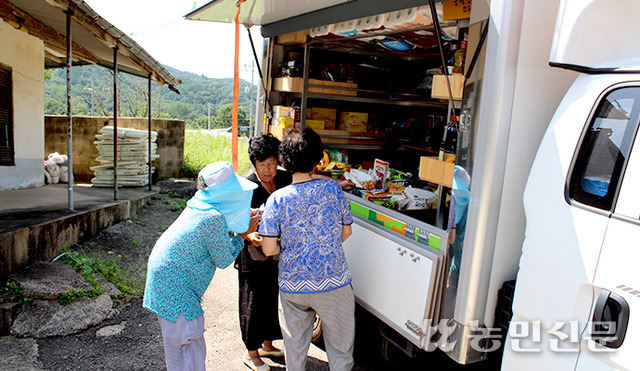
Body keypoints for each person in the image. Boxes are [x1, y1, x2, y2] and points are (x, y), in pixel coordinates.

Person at [143, 161, 259, 371]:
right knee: (191, 348)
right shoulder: (212, 218)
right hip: (177, 292)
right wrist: (243, 234)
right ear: (226, 194)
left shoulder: (199, 204)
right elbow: (223, 259)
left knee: (176, 353)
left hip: (162, 287)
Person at [259, 129, 355, 371]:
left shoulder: (277, 199)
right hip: (333, 282)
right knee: (341, 351)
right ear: (318, 159)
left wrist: (292, 247)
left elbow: (269, 249)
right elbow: (347, 232)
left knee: (295, 350)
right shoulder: (333, 190)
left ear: (284, 161)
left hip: (293, 284)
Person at [236, 134, 292, 371]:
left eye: (272, 163)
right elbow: (235, 223)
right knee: (252, 302)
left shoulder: (285, 179)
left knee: (271, 298)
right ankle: (251, 352)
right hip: (253, 254)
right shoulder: (246, 188)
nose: (268, 170)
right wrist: (249, 235)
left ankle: (268, 344)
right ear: (254, 164)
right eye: (262, 164)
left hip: (277, 253)